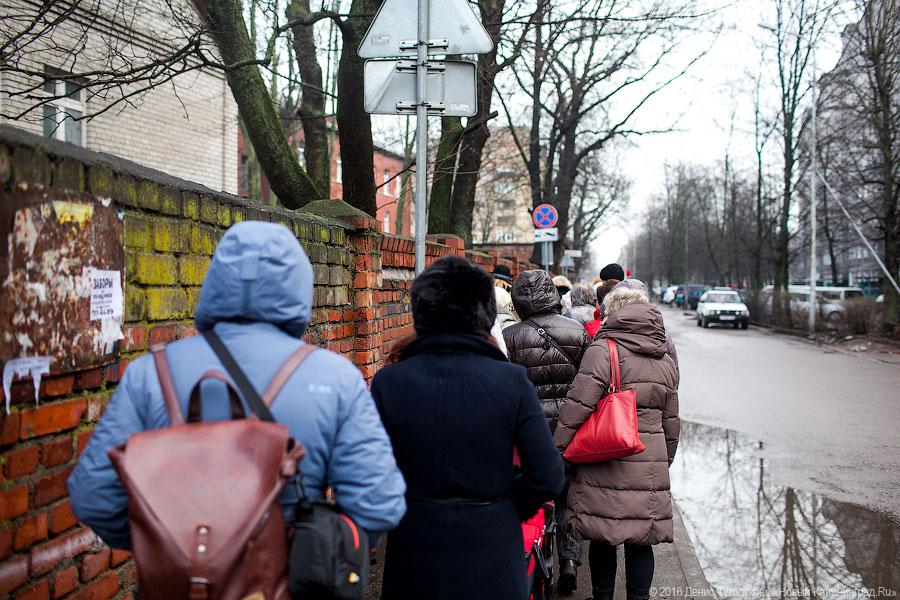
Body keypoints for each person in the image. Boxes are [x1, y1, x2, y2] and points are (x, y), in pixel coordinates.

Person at [68, 221, 407, 550]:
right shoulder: (337, 379)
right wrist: (319, 552)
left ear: (215, 282)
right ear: (300, 286)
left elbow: (94, 497)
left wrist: (170, 548)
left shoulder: (150, 374)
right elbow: (378, 504)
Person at [372, 256, 564, 600]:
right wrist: (506, 503)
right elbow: (548, 475)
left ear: (422, 313)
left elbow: (374, 473)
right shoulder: (511, 381)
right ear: (485, 314)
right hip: (492, 549)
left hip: (415, 550)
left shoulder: (390, 382)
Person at [555, 280, 680, 600]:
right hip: (649, 458)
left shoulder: (603, 348)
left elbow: (577, 406)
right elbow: (671, 416)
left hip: (604, 456)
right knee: (641, 540)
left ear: (612, 312)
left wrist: (559, 451)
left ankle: (603, 596)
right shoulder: (664, 353)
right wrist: (663, 458)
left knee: (603, 537)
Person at [502, 270, 590, 595]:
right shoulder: (577, 331)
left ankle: (538, 558)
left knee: (536, 494)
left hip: (530, 433)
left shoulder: (510, 336)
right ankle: (569, 560)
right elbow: (589, 380)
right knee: (570, 497)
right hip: (571, 430)